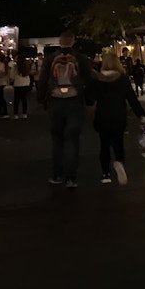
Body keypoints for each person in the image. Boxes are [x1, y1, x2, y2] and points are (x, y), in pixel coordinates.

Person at [37, 30, 97, 188]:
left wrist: (42, 99)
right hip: (75, 101)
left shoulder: (50, 59)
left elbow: (42, 79)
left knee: (57, 139)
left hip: (55, 102)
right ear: (73, 41)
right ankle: (71, 177)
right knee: (72, 139)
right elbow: (89, 81)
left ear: (60, 41)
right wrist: (90, 102)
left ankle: (56, 174)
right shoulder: (81, 59)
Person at [90, 51, 145, 185]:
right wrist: (141, 115)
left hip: (102, 116)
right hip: (118, 116)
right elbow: (132, 99)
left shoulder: (98, 80)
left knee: (104, 145)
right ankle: (119, 162)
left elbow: (90, 98)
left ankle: (105, 174)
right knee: (118, 142)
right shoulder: (122, 79)